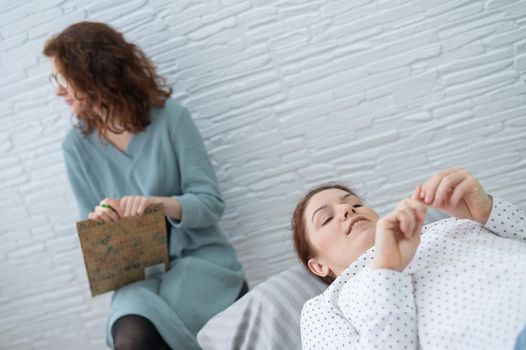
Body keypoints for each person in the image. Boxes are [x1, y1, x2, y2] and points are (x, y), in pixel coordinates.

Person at [43, 21, 247, 350]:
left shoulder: (172, 120)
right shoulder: (76, 147)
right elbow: (91, 232)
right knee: (129, 337)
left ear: (94, 73)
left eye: (63, 78)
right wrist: (102, 220)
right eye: (55, 79)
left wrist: (160, 204)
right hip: (136, 274)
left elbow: (210, 203)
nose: (58, 90)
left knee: (155, 331)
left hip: (198, 260)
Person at [292, 168, 526, 349]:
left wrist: (486, 211)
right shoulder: (323, 308)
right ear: (318, 266)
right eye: (326, 219)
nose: (348, 210)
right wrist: (387, 269)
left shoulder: (443, 226)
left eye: (355, 203)